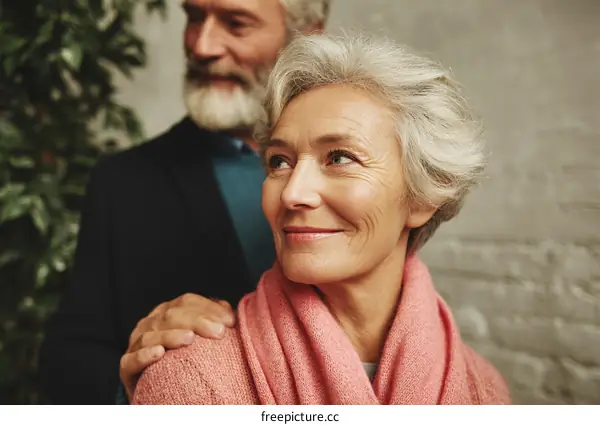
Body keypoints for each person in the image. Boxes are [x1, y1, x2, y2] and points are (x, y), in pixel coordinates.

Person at [131, 32, 512, 405]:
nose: (293, 193)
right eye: (279, 162)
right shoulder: (190, 381)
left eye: (339, 157)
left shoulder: (485, 392)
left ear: (424, 195)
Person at [38, 0, 331, 404]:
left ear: (306, 36)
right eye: (194, 17)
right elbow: (68, 361)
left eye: (235, 23)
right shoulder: (122, 181)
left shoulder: (365, 175)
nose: (202, 45)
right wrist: (143, 373)